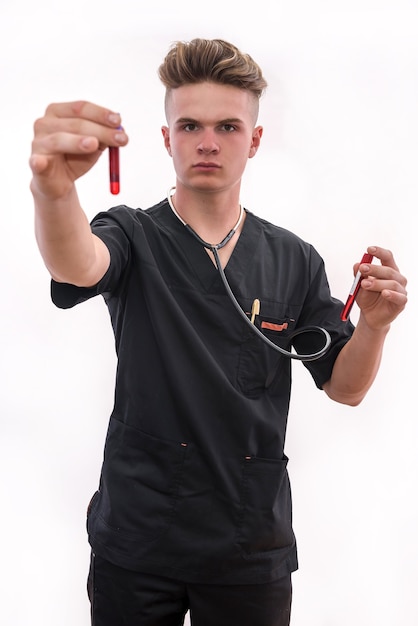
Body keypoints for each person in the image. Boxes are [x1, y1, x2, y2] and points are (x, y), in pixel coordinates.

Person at [29, 38, 407, 626]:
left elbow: (345, 387)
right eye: (190, 125)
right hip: (139, 537)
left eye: (228, 126)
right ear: (167, 139)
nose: (208, 142)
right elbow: (78, 263)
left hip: (247, 543)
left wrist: (376, 327)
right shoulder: (131, 234)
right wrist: (53, 193)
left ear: (254, 141)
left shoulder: (294, 259)